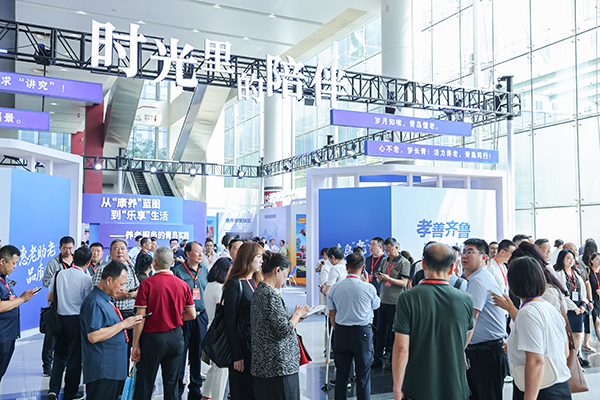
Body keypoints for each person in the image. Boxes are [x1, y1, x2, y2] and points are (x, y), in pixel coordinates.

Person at [392, 243, 473, 400]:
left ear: (423, 264)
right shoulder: (466, 299)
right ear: (452, 267)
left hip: (418, 386)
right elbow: (466, 335)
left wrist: (397, 388)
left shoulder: (407, 298)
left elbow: (401, 348)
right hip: (455, 386)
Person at [132, 246, 197, 400]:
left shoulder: (147, 284)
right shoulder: (183, 285)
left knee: (145, 383)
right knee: (172, 385)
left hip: (152, 339)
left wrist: (135, 344)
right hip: (175, 337)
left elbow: (140, 317)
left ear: (154, 263)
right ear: (172, 262)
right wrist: (175, 317)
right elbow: (192, 314)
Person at [506, 257, 572, 400]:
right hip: (560, 387)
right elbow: (564, 352)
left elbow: (536, 361)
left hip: (540, 389)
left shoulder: (528, 312)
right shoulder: (550, 308)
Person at [79, 261, 143, 400]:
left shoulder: (107, 299)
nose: (123, 288)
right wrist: (123, 324)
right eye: (121, 284)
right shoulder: (95, 302)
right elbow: (94, 336)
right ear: (109, 280)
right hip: (103, 370)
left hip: (113, 368)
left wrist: (125, 325)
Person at [251, 252, 310, 400]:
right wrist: (297, 314)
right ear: (277, 270)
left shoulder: (260, 290)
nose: (286, 278)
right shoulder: (270, 295)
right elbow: (284, 330)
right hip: (279, 365)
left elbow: (271, 323)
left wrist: (294, 318)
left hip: (264, 363)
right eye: (286, 273)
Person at [327, 252, 380, 400]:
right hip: (362, 333)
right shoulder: (368, 288)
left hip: (341, 331)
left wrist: (338, 330)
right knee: (363, 375)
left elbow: (332, 314)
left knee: (341, 374)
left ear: (346, 267)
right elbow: (376, 306)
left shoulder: (334, 288)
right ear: (363, 268)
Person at [462, 238, 508, 400]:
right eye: (463, 252)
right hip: (486, 351)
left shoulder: (478, 280)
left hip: (487, 353)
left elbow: (472, 318)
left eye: (470, 252)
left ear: (484, 257)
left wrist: (460, 350)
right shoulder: (478, 277)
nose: (464, 256)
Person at [47, 247, 93, 400]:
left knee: (59, 356)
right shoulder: (86, 279)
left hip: (59, 320)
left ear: (73, 258)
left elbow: (50, 297)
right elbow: (87, 304)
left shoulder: (59, 274)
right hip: (76, 321)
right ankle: (70, 393)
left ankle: (53, 390)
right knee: (74, 358)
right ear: (88, 262)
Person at [223, 242, 263, 400]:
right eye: (258, 257)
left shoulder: (255, 281)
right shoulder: (234, 284)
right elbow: (230, 321)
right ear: (247, 258)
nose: (261, 261)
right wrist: (237, 355)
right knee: (243, 389)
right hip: (242, 343)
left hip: (256, 343)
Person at [92, 239, 139, 364]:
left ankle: (123, 374)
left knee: (126, 351)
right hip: (112, 316)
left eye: (123, 249)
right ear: (110, 253)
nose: (120, 252)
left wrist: (134, 294)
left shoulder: (130, 270)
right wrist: (120, 296)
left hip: (129, 315)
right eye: (116, 249)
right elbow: (96, 294)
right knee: (113, 351)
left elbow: (137, 287)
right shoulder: (103, 270)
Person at [173, 241, 209, 400]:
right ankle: (177, 387)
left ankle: (195, 387)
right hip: (184, 317)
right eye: (197, 251)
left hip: (200, 316)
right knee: (180, 353)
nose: (201, 254)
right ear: (187, 253)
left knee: (197, 353)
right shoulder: (177, 272)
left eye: (202, 251)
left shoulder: (204, 270)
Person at [0, 245, 38, 383]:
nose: (15, 267)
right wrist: (21, 299)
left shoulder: (5, 278)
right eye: (13, 263)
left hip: (8, 333)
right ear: (2, 261)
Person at [372, 238, 410, 368]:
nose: (388, 253)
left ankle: (393, 360)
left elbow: (404, 283)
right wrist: (379, 277)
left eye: (390, 250)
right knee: (380, 331)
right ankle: (377, 358)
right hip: (383, 300)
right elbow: (380, 280)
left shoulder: (404, 262)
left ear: (397, 247)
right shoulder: (384, 260)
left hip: (395, 302)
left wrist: (388, 278)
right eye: (386, 251)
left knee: (393, 333)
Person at [41, 236, 75, 376]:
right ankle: (47, 366)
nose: (67, 251)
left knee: (67, 336)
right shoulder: (53, 263)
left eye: (70, 248)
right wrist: (59, 283)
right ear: (60, 248)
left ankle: (64, 362)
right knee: (51, 337)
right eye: (65, 248)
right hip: (55, 305)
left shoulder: (76, 261)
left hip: (71, 305)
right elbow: (45, 281)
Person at [202, 258, 232, 400]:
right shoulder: (219, 288)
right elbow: (225, 311)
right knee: (221, 369)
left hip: (212, 329)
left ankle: (206, 395)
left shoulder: (210, 285)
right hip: (220, 332)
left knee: (215, 367)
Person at [554, 249, 591, 366]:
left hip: (579, 308)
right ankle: (567, 360)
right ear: (562, 260)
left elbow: (582, 290)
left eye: (572, 258)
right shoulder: (559, 273)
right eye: (568, 258)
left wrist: (583, 304)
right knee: (566, 335)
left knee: (578, 334)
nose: (571, 260)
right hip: (567, 309)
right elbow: (561, 293)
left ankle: (576, 358)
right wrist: (574, 307)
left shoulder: (576, 272)